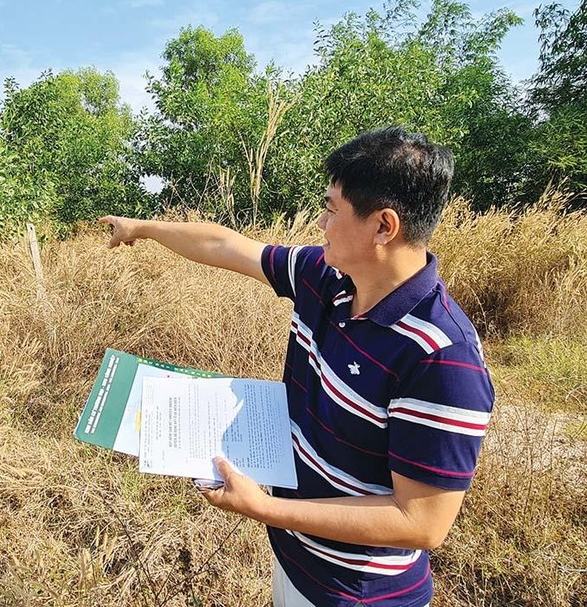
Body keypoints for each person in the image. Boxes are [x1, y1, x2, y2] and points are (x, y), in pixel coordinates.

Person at [98, 126, 494, 607]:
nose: (321, 224)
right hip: (295, 561)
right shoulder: (326, 277)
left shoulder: (441, 356)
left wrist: (265, 508)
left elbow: (422, 523)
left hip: (355, 595)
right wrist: (143, 228)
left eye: (331, 210)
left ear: (383, 226)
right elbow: (228, 246)